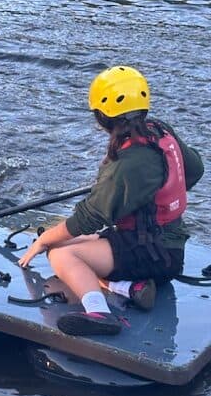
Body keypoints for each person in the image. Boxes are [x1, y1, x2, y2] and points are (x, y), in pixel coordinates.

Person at [18, 65, 204, 336]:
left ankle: (99, 312)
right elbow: (194, 169)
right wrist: (154, 192)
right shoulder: (160, 131)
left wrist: (44, 240)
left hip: (153, 254)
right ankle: (131, 288)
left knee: (59, 252)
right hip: (164, 247)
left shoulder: (129, 163)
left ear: (102, 117)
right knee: (67, 241)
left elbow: (89, 218)